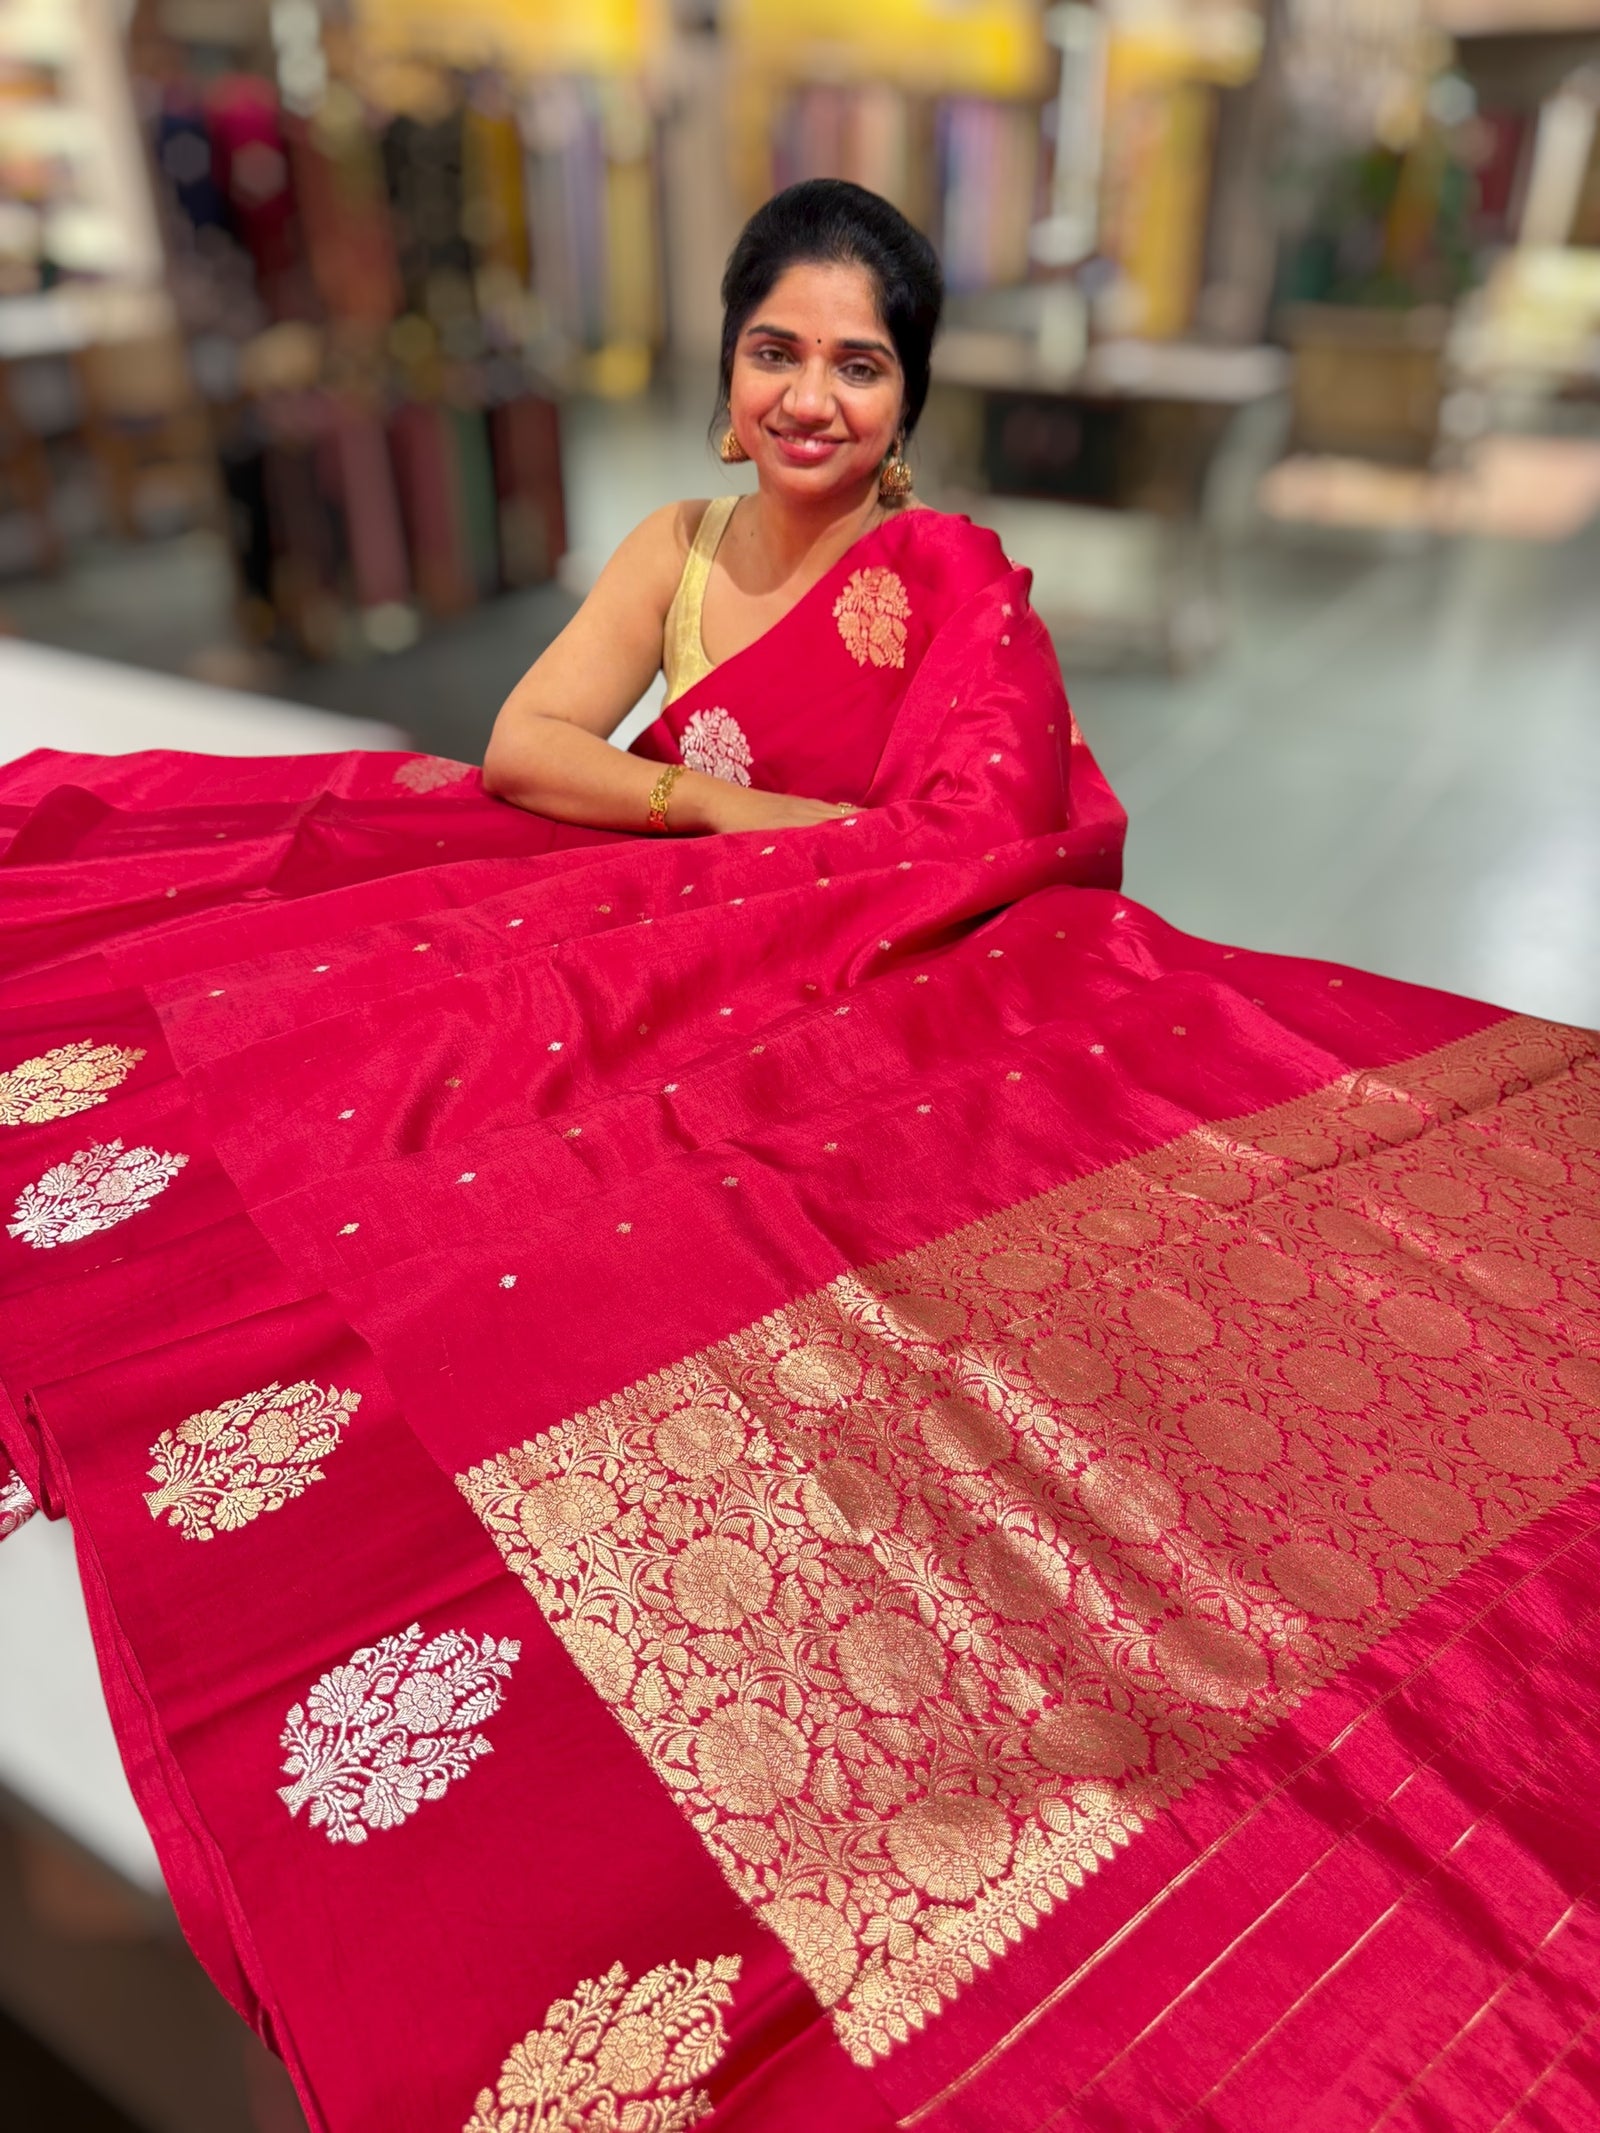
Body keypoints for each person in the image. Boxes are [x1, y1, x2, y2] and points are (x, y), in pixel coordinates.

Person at [0, 180, 1596, 2133]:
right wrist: (725, 818)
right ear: (727, 362)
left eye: (856, 359)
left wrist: (722, 844)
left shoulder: (948, 582)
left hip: (878, 976)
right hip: (699, 921)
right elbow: (523, 750)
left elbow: (976, 830)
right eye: (777, 349)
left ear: (905, 390)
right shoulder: (675, 547)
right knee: (332, 1038)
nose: (810, 395)